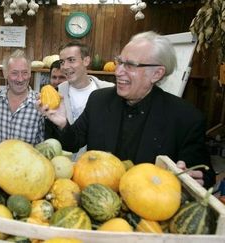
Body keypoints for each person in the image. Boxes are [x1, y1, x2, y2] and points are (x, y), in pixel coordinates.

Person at [39, 31, 215, 188]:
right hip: (98, 200)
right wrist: (63, 123)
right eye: (120, 62)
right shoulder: (99, 100)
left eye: (129, 65)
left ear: (157, 74)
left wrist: (197, 179)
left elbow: (203, 174)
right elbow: (73, 142)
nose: (118, 72)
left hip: (147, 212)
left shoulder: (186, 118)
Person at [45, 42, 114, 159]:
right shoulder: (55, 94)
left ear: (86, 61)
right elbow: (51, 139)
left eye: (71, 60)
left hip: (100, 167)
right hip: (64, 168)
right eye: (62, 62)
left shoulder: (109, 92)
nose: (65, 66)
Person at [0, 49, 44, 145]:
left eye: (24, 72)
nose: (20, 79)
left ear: (30, 73)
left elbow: (45, 144)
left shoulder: (41, 103)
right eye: (14, 73)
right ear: (5, 74)